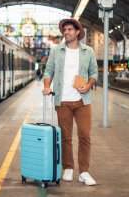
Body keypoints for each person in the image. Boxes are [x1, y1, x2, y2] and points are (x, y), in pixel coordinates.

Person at [42, 18, 98, 186]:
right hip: (63, 101)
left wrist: (88, 85)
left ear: (77, 32)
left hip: (82, 101)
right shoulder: (56, 50)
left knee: (85, 136)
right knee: (65, 137)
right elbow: (48, 70)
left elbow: (94, 72)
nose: (66, 32)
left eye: (69, 30)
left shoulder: (88, 51)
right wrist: (46, 86)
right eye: (64, 30)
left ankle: (84, 172)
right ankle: (68, 168)